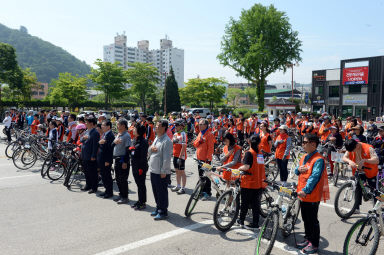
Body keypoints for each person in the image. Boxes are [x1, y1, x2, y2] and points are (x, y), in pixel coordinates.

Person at [295, 134, 330, 254]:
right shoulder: (304, 156)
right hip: (302, 194)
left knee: (312, 220)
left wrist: (306, 190)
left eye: (305, 142)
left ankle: (314, 244)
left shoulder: (318, 159)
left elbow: (315, 177)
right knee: (305, 218)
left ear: (313, 144)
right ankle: (308, 238)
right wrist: (298, 170)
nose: (302, 144)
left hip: (311, 195)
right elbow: (297, 169)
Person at [236, 135, 266, 230]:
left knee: (244, 203)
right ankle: (255, 223)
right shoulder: (260, 153)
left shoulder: (249, 153)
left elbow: (246, 167)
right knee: (255, 204)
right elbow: (261, 167)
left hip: (248, 182)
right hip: (258, 182)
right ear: (259, 143)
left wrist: (239, 168)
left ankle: (241, 220)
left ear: (249, 142)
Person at [343, 139, 379, 214]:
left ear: (357, 145)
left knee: (374, 192)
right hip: (359, 170)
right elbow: (344, 157)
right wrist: (350, 161)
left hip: (370, 171)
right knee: (357, 188)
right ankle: (356, 208)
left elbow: (376, 160)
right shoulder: (351, 147)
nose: (352, 152)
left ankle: (377, 212)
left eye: (353, 150)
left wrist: (365, 160)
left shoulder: (368, 148)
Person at [148, 120, 173, 220]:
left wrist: (164, 171)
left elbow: (167, 158)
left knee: (162, 191)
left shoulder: (167, 141)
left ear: (164, 128)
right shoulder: (157, 138)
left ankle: (163, 211)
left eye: (158, 126)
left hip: (161, 172)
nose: (156, 127)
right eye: (156, 125)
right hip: (153, 169)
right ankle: (158, 208)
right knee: (155, 191)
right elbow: (150, 151)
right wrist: (151, 149)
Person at [193, 118, 215, 200]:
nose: (199, 125)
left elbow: (211, 148)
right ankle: (202, 191)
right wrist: (200, 141)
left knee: (207, 176)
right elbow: (195, 144)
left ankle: (208, 193)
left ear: (205, 125)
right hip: (199, 158)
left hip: (206, 160)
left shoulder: (209, 134)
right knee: (201, 176)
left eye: (201, 124)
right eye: (199, 124)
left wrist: (208, 159)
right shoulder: (200, 133)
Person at [130, 123, 149, 210]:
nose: (133, 130)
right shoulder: (135, 139)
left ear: (139, 131)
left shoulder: (143, 142)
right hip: (134, 165)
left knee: (141, 185)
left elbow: (142, 156)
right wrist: (131, 150)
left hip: (140, 167)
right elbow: (131, 150)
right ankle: (139, 200)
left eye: (135, 129)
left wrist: (141, 168)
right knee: (138, 184)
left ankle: (143, 202)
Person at [113, 119, 132, 204]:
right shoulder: (118, 134)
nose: (117, 126)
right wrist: (114, 142)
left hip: (122, 159)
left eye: (118, 125)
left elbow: (127, 150)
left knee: (123, 179)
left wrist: (125, 162)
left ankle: (125, 197)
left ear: (123, 126)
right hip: (117, 159)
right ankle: (121, 194)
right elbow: (113, 144)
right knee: (118, 179)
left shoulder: (126, 136)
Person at [81, 116, 100, 194]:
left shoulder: (95, 133)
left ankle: (94, 187)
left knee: (92, 172)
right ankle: (88, 185)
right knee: (86, 171)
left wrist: (93, 155)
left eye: (87, 122)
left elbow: (95, 146)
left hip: (90, 155)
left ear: (91, 123)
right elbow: (81, 139)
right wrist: (83, 138)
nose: (85, 124)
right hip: (85, 154)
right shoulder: (87, 131)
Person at [97, 120, 115, 199]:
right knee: (103, 176)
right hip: (101, 158)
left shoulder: (110, 135)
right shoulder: (104, 134)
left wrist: (108, 161)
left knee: (107, 176)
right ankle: (106, 191)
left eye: (103, 125)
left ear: (108, 127)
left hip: (106, 160)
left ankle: (109, 192)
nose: (102, 127)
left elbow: (110, 149)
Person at [171, 120, 188, 194]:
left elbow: (183, 147)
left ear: (181, 126)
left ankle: (183, 188)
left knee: (182, 172)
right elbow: (172, 143)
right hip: (175, 155)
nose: (175, 126)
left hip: (181, 156)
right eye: (175, 125)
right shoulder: (175, 134)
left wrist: (180, 157)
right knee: (177, 171)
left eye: (177, 125)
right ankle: (178, 185)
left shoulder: (183, 134)